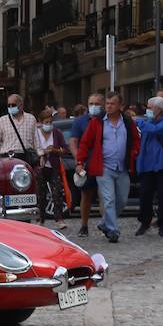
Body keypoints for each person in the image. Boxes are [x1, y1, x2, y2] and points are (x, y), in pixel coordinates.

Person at [76, 92, 138, 243]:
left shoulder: (128, 122)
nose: (109, 106)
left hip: (122, 167)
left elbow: (136, 140)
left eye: (112, 103)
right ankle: (113, 230)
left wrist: (134, 153)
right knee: (109, 200)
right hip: (104, 167)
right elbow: (85, 142)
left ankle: (104, 223)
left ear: (120, 106)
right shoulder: (97, 122)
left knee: (122, 200)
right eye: (107, 103)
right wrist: (80, 162)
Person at [135, 96, 163, 238]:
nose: (147, 110)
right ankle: (144, 222)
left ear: (158, 109)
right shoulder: (149, 121)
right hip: (147, 164)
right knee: (144, 194)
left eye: (149, 107)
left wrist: (140, 122)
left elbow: (156, 130)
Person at [69, 94, 103, 237]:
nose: (94, 106)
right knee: (86, 196)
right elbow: (73, 142)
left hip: (103, 164)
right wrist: (79, 161)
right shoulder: (80, 122)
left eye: (97, 103)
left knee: (104, 196)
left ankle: (106, 224)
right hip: (86, 165)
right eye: (91, 103)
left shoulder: (106, 120)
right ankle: (84, 225)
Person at [33, 108, 68, 230]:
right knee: (40, 194)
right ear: (41, 122)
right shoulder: (35, 134)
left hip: (53, 166)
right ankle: (40, 219)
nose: (48, 125)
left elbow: (64, 149)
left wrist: (54, 150)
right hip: (40, 166)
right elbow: (32, 149)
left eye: (50, 122)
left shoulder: (57, 133)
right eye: (46, 122)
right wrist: (41, 153)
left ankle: (59, 219)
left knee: (57, 192)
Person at [0, 94, 38, 165]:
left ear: (21, 105)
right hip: (7, 157)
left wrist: (41, 155)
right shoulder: (2, 120)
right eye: (8, 105)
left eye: (13, 105)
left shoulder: (31, 119)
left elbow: (36, 139)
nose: (10, 107)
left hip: (26, 157)